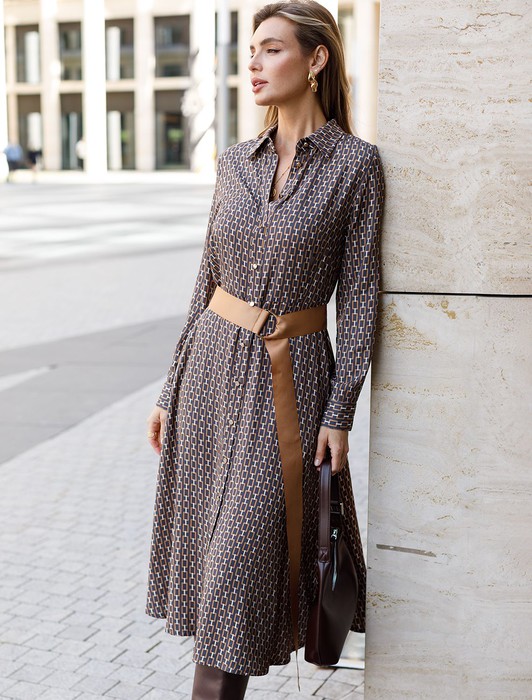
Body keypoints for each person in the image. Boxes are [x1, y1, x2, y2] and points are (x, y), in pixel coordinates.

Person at [145, 2, 385, 698]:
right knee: (214, 572)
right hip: (211, 378)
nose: (253, 63)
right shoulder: (234, 163)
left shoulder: (355, 167)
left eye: (272, 49)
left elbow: (360, 301)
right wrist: (169, 390)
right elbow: (205, 284)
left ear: (316, 60)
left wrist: (339, 413)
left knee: (238, 570)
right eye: (251, 50)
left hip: (292, 385)